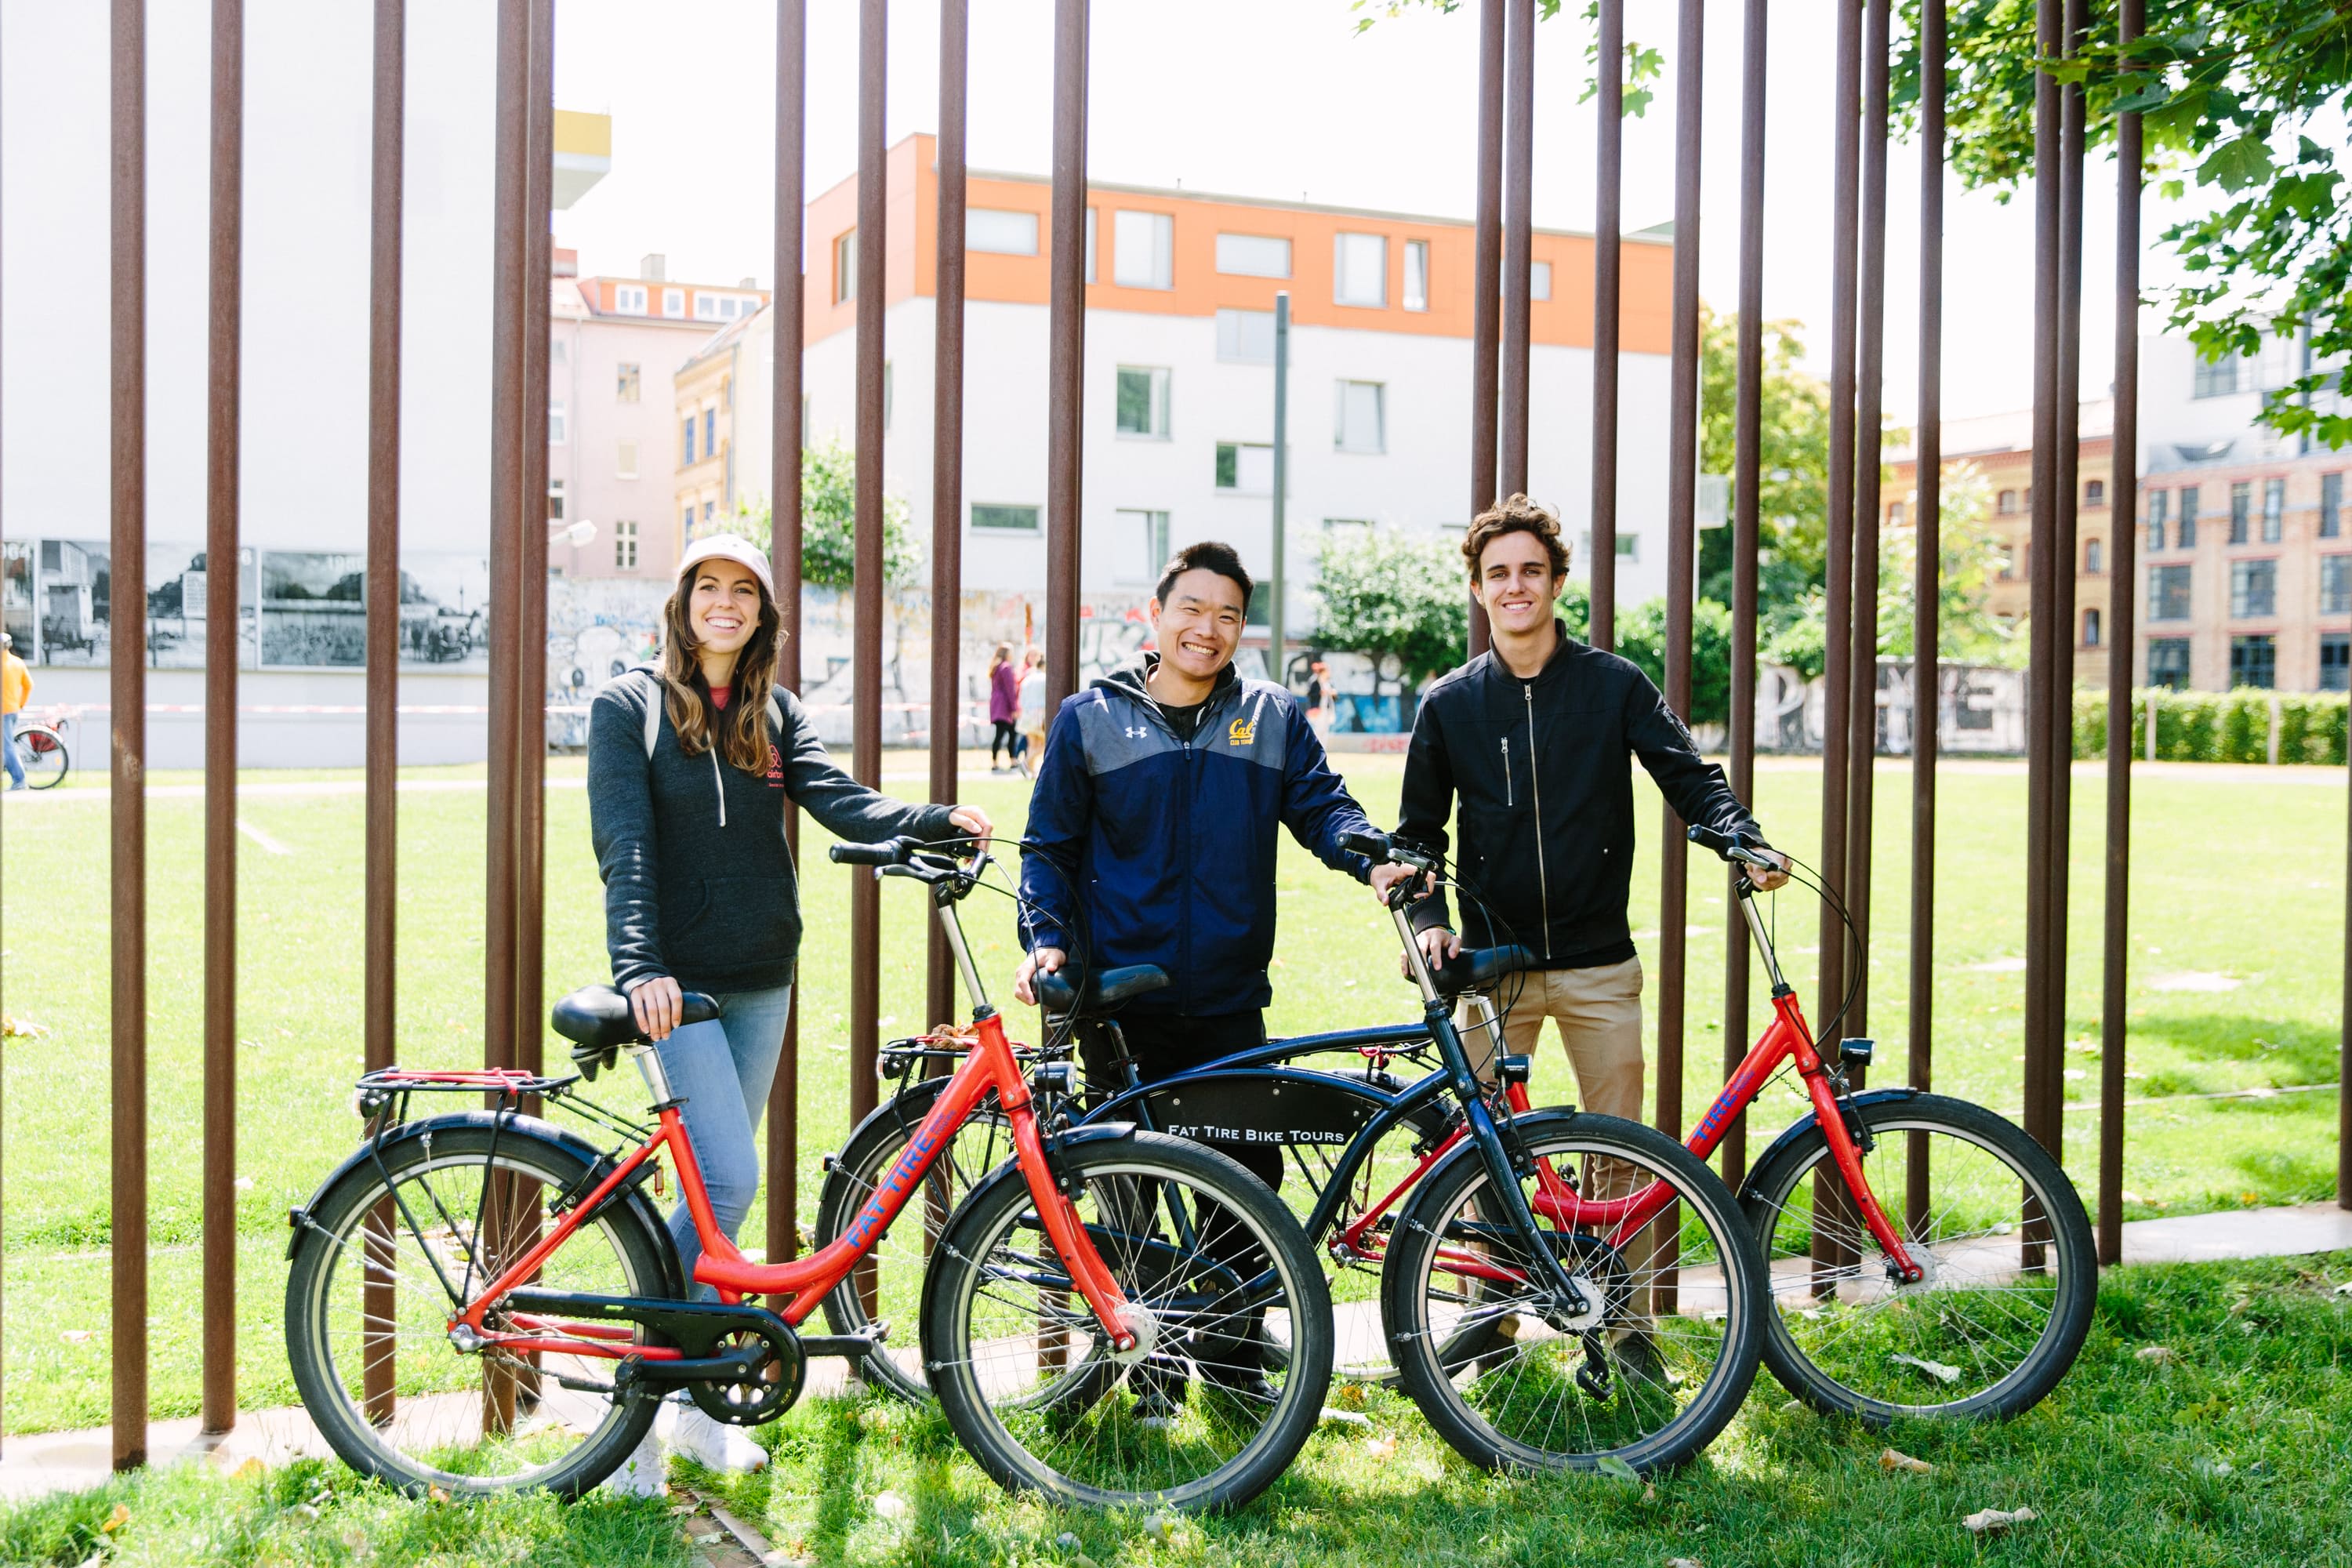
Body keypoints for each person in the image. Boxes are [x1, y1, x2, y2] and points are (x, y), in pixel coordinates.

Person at [588, 534, 990, 1488]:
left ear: (763, 612)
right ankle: (640, 1404)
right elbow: (625, 844)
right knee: (725, 1185)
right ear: (684, 600)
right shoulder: (628, 707)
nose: (725, 604)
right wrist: (640, 963)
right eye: (709, 587)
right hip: (675, 988)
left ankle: (683, 1399)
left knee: (711, 1204)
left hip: (762, 976)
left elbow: (842, 804)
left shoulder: (773, 712)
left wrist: (931, 819)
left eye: (744, 592)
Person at [1014, 540, 1414, 1410]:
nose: (1209, 628)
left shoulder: (1270, 715)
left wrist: (1371, 860)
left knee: (1245, 1181)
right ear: (1155, 614)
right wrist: (1045, 939)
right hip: (1122, 1002)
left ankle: (1233, 1364)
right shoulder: (1091, 718)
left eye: (1228, 615)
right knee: (1128, 1192)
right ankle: (1138, 1364)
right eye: (1193, 608)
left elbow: (1322, 806)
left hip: (1231, 999)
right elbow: (1047, 847)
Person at [1392, 495, 1786, 1353]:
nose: (1516, 585)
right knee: (1485, 1149)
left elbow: (1690, 776)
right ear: (1478, 588)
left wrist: (1740, 836)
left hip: (1599, 961)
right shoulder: (1450, 703)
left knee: (1621, 1152)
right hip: (1492, 963)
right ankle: (1484, 1314)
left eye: (1531, 569)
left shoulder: (1613, 685)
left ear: (1558, 581)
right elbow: (1418, 836)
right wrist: (1427, 921)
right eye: (1499, 573)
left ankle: (1626, 1323)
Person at [1013, 644, 1047, 779]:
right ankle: (1026, 763)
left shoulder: (1027, 679)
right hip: (1040, 714)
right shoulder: (1045, 679)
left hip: (1027, 715)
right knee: (1044, 744)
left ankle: (1031, 773)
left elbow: (1021, 699)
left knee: (1032, 744)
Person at [2, 633, 30, 792]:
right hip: (13, 709)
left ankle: (19, 780)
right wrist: (21, 703)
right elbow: (29, 685)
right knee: (7, 744)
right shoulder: (18, 663)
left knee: (8, 746)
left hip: (3, 711)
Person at [986, 641, 1021, 771]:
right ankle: (1009, 760)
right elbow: (1010, 689)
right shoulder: (1006, 667)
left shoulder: (995, 667)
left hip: (996, 705)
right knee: (1009, 734)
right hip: (1005, 706)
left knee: (1003, 734)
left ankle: (997, 761)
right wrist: (1014, 708)